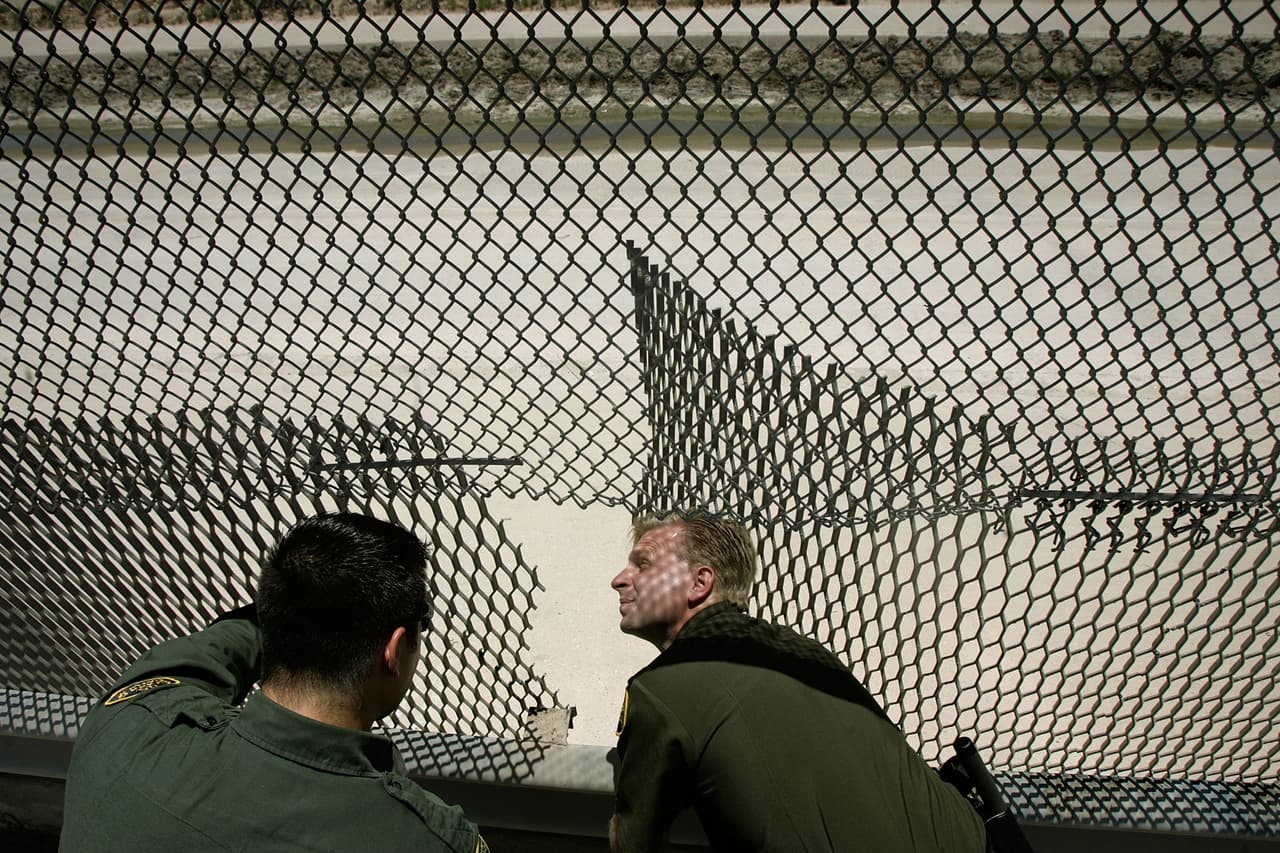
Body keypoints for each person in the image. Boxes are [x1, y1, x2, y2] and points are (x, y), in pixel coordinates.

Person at [60, 512, 488, 853]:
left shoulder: (131, 724)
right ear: (393, 651)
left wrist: (294, 609)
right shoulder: (431, 840)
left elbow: (213, 648)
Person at [608, 510, 986, 853]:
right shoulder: (804, 653)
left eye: (643, 565)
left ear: (698, 583)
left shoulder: (661, 689)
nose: (620, 580)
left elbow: (633, 842)